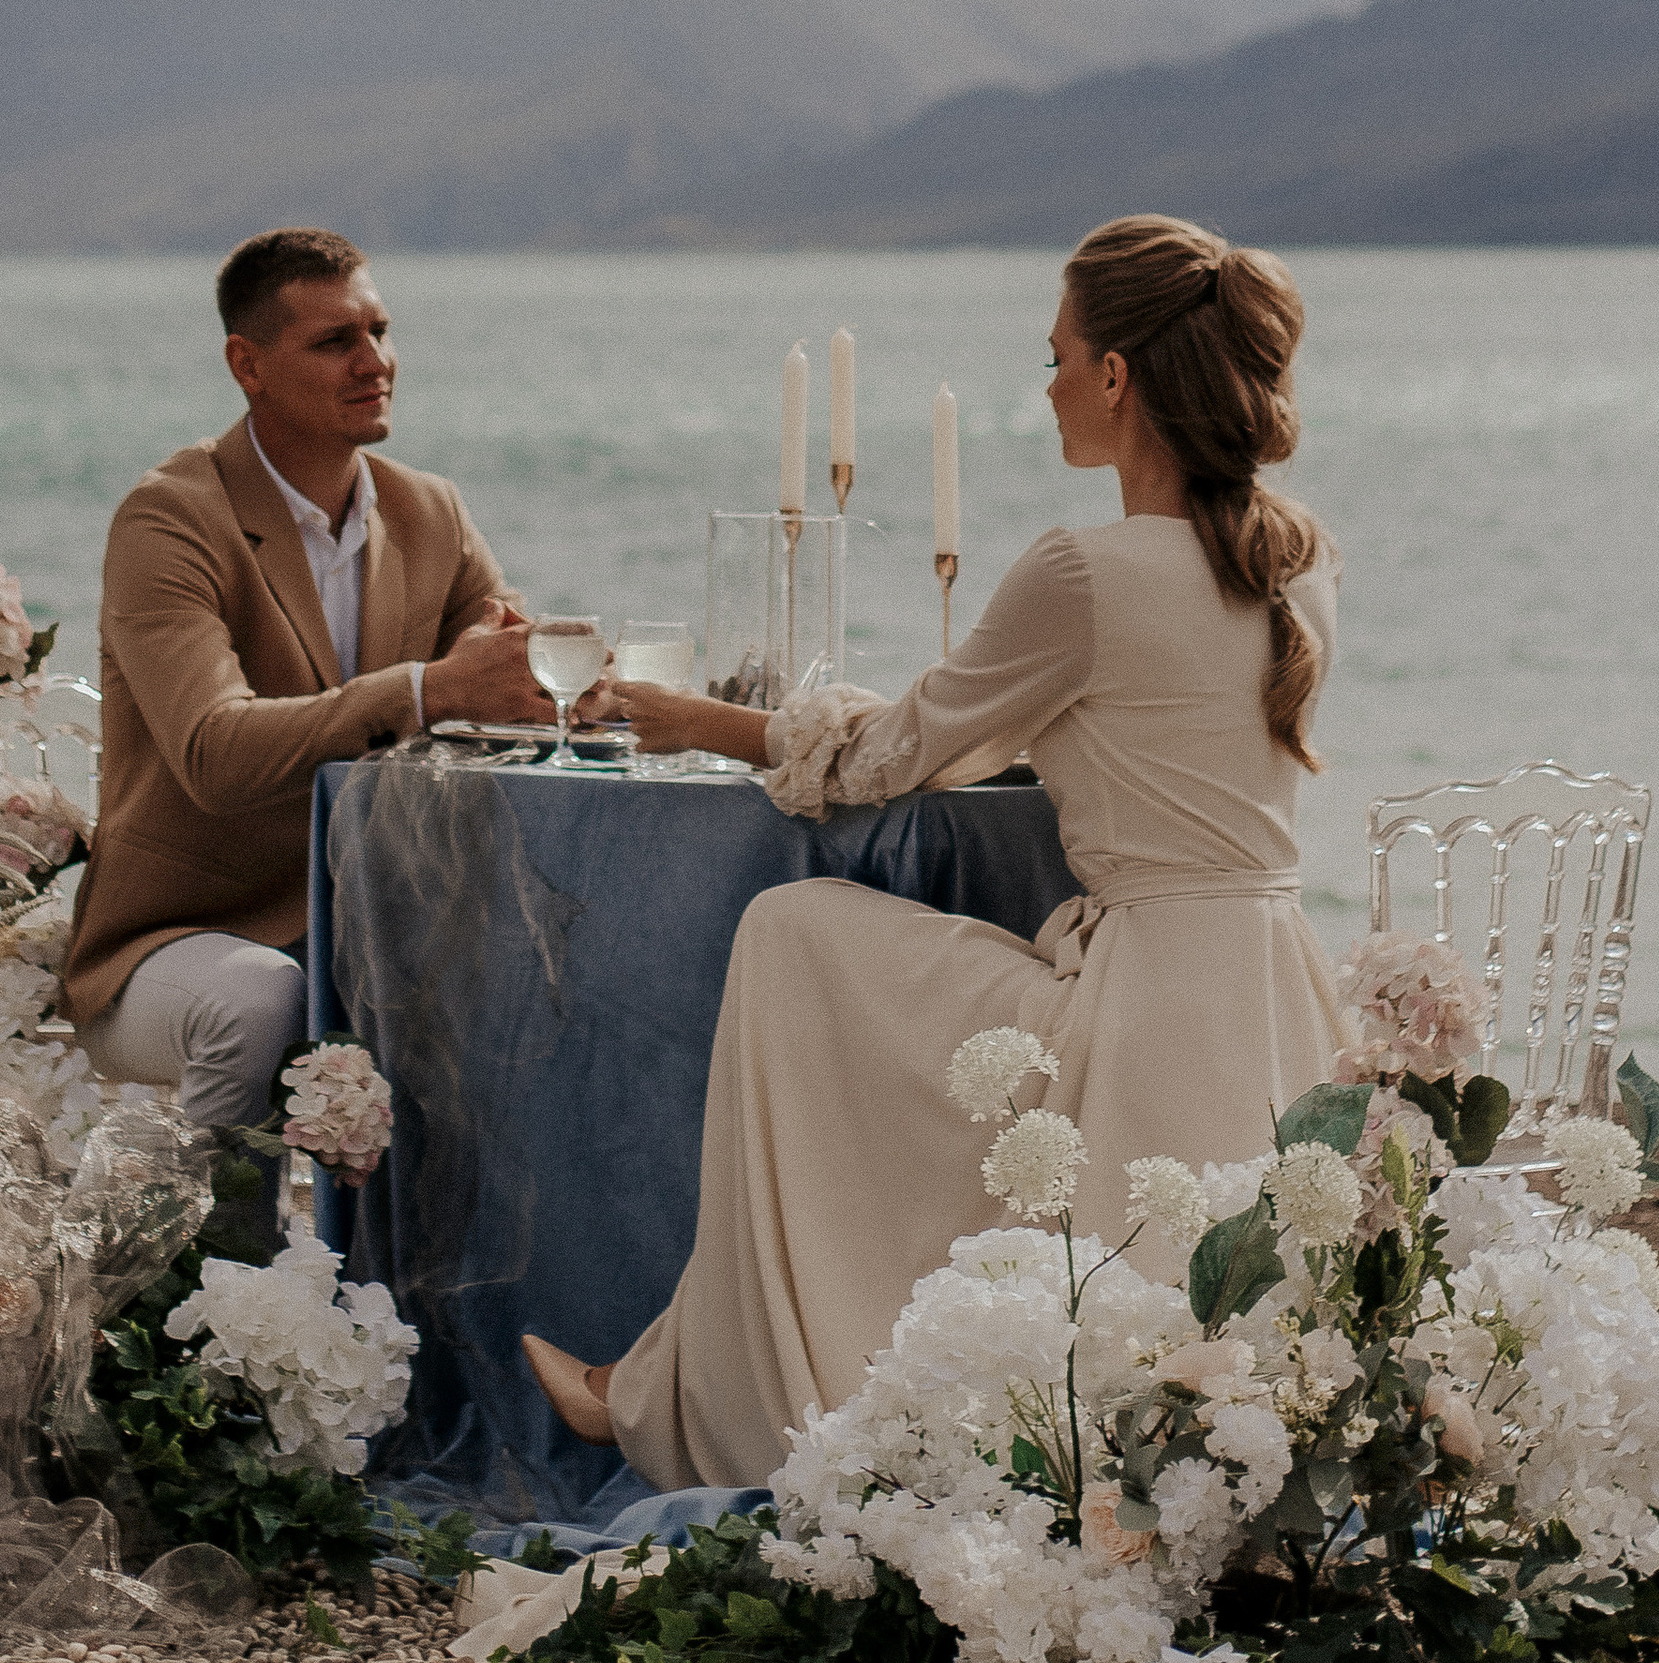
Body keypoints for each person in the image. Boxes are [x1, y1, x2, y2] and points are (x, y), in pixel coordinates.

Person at [522, 213, 1343, 1489]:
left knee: (791, 936)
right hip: (1280, 1001)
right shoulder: (1298, 562)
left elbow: (895, 757)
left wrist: (701, 721)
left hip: (1135, 1016)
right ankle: (681, 1365)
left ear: (1117, 378)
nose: (1050, 381)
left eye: (1060, 354)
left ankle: (710, 1390)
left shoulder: (1084, 570)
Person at [64, 225, 550, 1150]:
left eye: (379, 332)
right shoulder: (170, 518)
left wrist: (523, 682)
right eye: (335, 342)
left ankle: (429, 1286)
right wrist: (425, 690)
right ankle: (208, 1275)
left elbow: (499, 675)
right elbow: (214, 752)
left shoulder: (429, 511)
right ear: (246, 364)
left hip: (362, 923)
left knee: (541, 971)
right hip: (175, 940)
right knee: (263, 997)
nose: (375, 362)